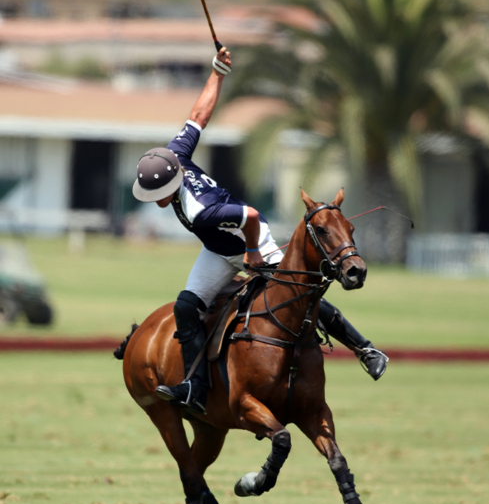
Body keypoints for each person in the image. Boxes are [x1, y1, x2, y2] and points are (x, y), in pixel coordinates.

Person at [132, 48, 388, 414]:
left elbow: (250, 215)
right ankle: (195, 385)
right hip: (218, 250)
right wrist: (217, 73)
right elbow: (198, 116)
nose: (155, 201)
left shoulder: (201, 210)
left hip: (250, 238)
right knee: (187, 307)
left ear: (172, 183)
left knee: (300, 292)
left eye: (157, 195)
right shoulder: (176, 155)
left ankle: (366, 349)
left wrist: (253, 253)